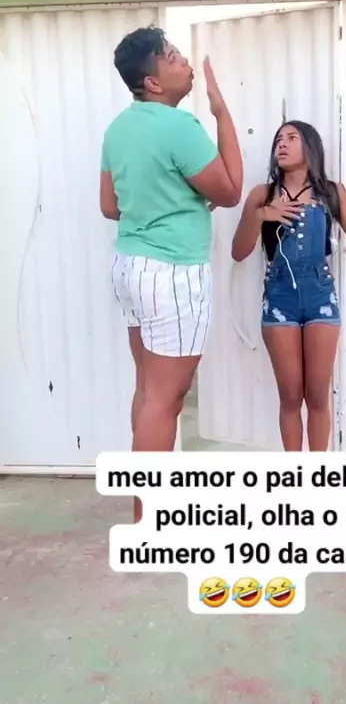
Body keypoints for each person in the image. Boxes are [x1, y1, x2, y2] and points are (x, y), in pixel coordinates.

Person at [100, 26, 242, 522]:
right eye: (174, 56)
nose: (186, 62)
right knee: (166, 399)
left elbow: (110, 206)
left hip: (131, 268)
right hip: (172, 273)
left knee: (148, 392)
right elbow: (230, 191)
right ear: (153, 81)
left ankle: (145, 510)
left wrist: (163, 203)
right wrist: (221, 112)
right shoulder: (179, 126)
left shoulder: (118, 129)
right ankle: (149, 523)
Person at [231, 120, 346, 452]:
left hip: (321, 297)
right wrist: (262, 215)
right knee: (291, 395)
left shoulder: (331, 192)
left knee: (318, 394)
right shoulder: (262, 195)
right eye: (278, 140)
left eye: (291, 138)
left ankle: (317, 472)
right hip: (279, 300)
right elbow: (238, 252)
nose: (281, 144)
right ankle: (294, 472)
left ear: (310, 147)